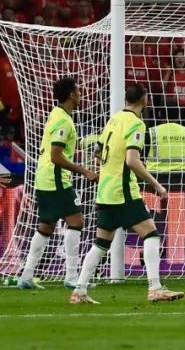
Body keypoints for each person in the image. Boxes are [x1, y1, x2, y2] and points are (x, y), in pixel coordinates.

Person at [69, 84, 184, 304]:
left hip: (105, 191)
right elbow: (132, 161)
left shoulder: (114, 120)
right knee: (151, 234)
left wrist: (107, 168)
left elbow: (97, 152)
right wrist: (156, 185)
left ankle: (79, 291)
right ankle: (155, 288)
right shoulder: (136, 123)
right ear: (144, 99)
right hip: (122, 191)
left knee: (101, 243)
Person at [19, 77, 98, 290]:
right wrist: (85, 171)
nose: (80, 94)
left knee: (46, 225)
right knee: (76, 222)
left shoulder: (56, 114)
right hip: (55, 179)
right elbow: (56, 156)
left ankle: (26, 276)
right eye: (78, 91)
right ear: (71, 95)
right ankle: (72, 276)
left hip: (43, 177)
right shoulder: (64, 120)